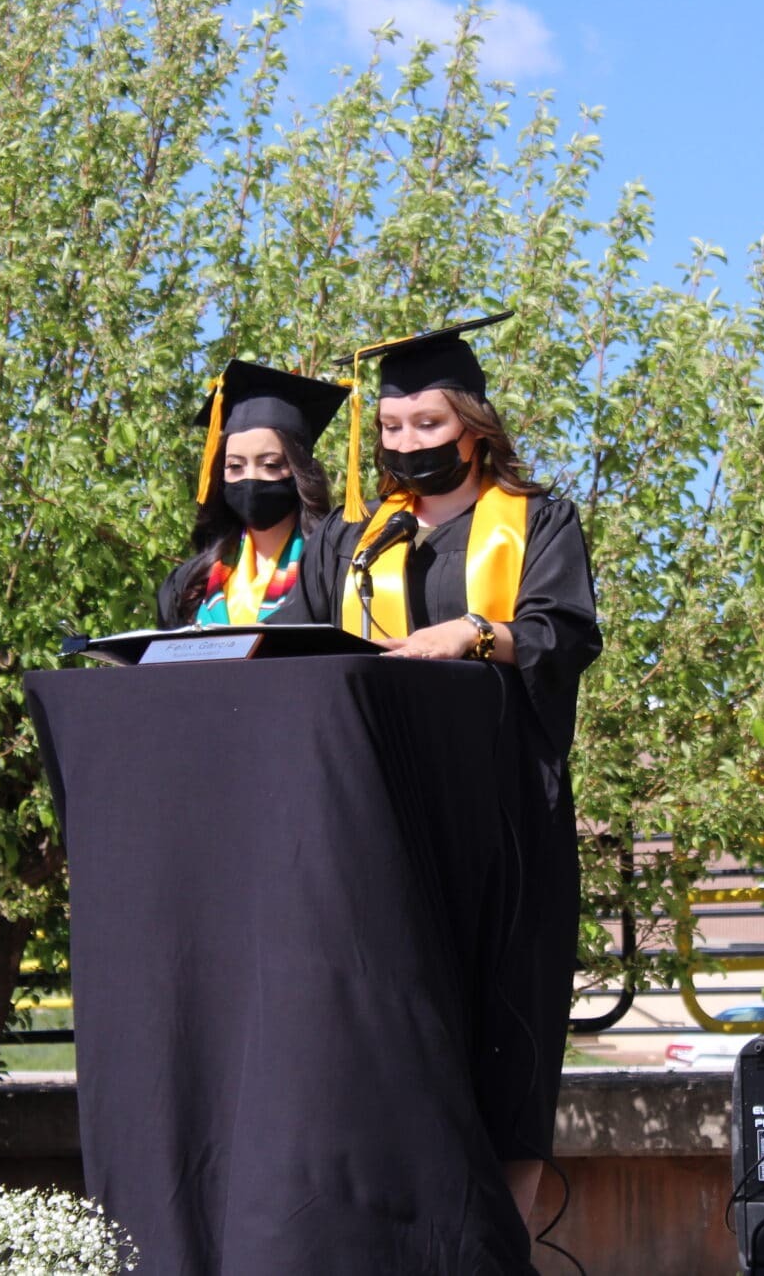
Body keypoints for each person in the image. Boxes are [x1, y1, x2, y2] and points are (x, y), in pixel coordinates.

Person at [276, 312, 601, 1229]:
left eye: (429, 424)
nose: (410, 442)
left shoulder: (539, 519)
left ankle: (502, 1249)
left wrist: (477, 633)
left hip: (504, 826)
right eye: (392, 428)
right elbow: (301, 642)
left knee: (505, 1038)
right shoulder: (360, 539)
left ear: (474, 426)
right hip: (385, 825)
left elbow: (564, 633)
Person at [154, 359, 351, 629]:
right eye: (235, 466)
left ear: (299, 471)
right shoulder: (189, 584)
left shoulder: (332, 567)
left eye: (270, 464)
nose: (251, 478)